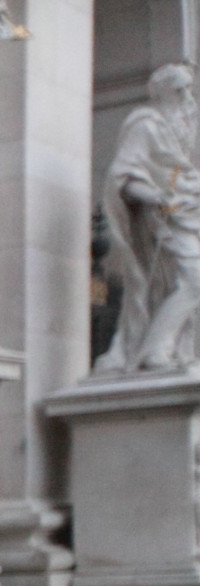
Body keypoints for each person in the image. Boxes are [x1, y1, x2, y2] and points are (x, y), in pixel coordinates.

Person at [97, 62, 200, 373]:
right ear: (162, 94)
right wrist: (156, 197)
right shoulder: (145, 126)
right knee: (195, 280)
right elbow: (124, 175)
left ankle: (165, 350)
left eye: (189, 89)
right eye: (179, 90)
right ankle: (153, 350)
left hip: (185, 211)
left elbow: (179, 170)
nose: (187, 97)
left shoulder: (181, 127)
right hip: (160, 219)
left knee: (184, 284)